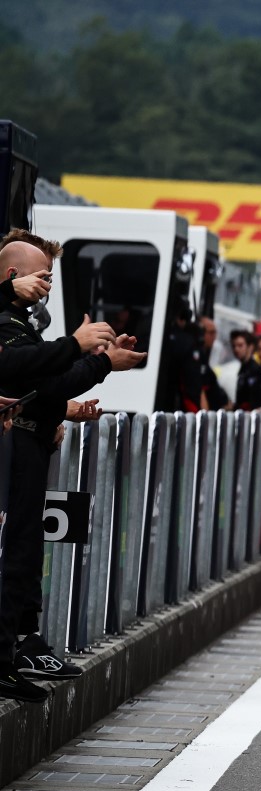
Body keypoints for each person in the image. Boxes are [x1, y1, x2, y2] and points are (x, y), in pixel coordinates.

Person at [0, 231, 145, 702]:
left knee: (24, 554)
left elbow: (41, 384)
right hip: (13, 453)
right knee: (13, 555)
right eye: (43, 276)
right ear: (13, 276)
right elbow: (28, 371)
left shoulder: (18, 321)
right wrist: (89, 353)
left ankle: (19, 647)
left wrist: (63, 407)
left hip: (27, 448)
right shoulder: (6, 319)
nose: (48, 286)